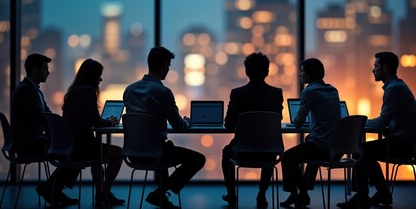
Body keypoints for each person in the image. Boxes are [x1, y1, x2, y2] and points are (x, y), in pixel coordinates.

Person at [123, 46, 206, 209]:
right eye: (168, 66)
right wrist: (187, 122)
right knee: (198, 159)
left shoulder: (129, 90)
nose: (168, 70)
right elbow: (179, 126)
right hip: (157, 152)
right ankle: (161, 192)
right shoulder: (162, 92)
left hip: (133, 153)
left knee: (166, 148)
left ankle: (161, 196)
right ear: (164, 67)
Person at [337, 52, 416, 209]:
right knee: (365, 152)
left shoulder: (394, 89)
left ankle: (362, 198)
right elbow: (385, 121)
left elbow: (382, 122)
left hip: (404, 145)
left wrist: (358, 123)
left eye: (375, 66)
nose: (373, 70)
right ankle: (382, 194)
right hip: (403, 142)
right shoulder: (397, 87)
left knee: (360, 150)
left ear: (385, 68)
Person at [11, 53, 79, 206]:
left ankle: (51, 189)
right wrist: (62, 132)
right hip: (27, 142)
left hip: (30, 139)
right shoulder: (26, 91)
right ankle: (52, 190)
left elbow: (47, 116)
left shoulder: (33, 90)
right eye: (45, 69)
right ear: (35, 70)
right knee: (75, 149)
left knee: (72, 148)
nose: (48, 72)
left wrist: (60, 129)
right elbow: (43, 117)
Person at [221, 52, 284, 207]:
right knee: (268, 151)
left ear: (246, 72)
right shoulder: (276, 93)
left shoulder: (238, 94)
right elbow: (278, 119)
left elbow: (228, 124)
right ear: (267, 71)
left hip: (242, 151)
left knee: (226, 152)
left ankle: (232, 194)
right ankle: (262, 194)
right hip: (270, 150)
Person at [62, 59, 125, 206]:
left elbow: (89, 120)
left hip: (73, 144)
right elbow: (96, 122)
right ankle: (104, 193)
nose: (101, 79)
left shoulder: (74, 92)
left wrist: (103, 121)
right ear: (92, 76)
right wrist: (110, 122)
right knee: (119, 153)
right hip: (82, 146)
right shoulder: (87, 91)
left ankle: (102, 193)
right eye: (99, 75)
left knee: (99, 157)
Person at [280, 58, 341, 208]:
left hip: (322, 149)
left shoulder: (309, 91)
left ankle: (297, 195)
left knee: (287, 157)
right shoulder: (333, 90)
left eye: (301, 72)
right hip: (337, 149)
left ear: (309, 74)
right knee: (309, 143)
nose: (299, 75)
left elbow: (298, 122)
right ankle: (302, 194)